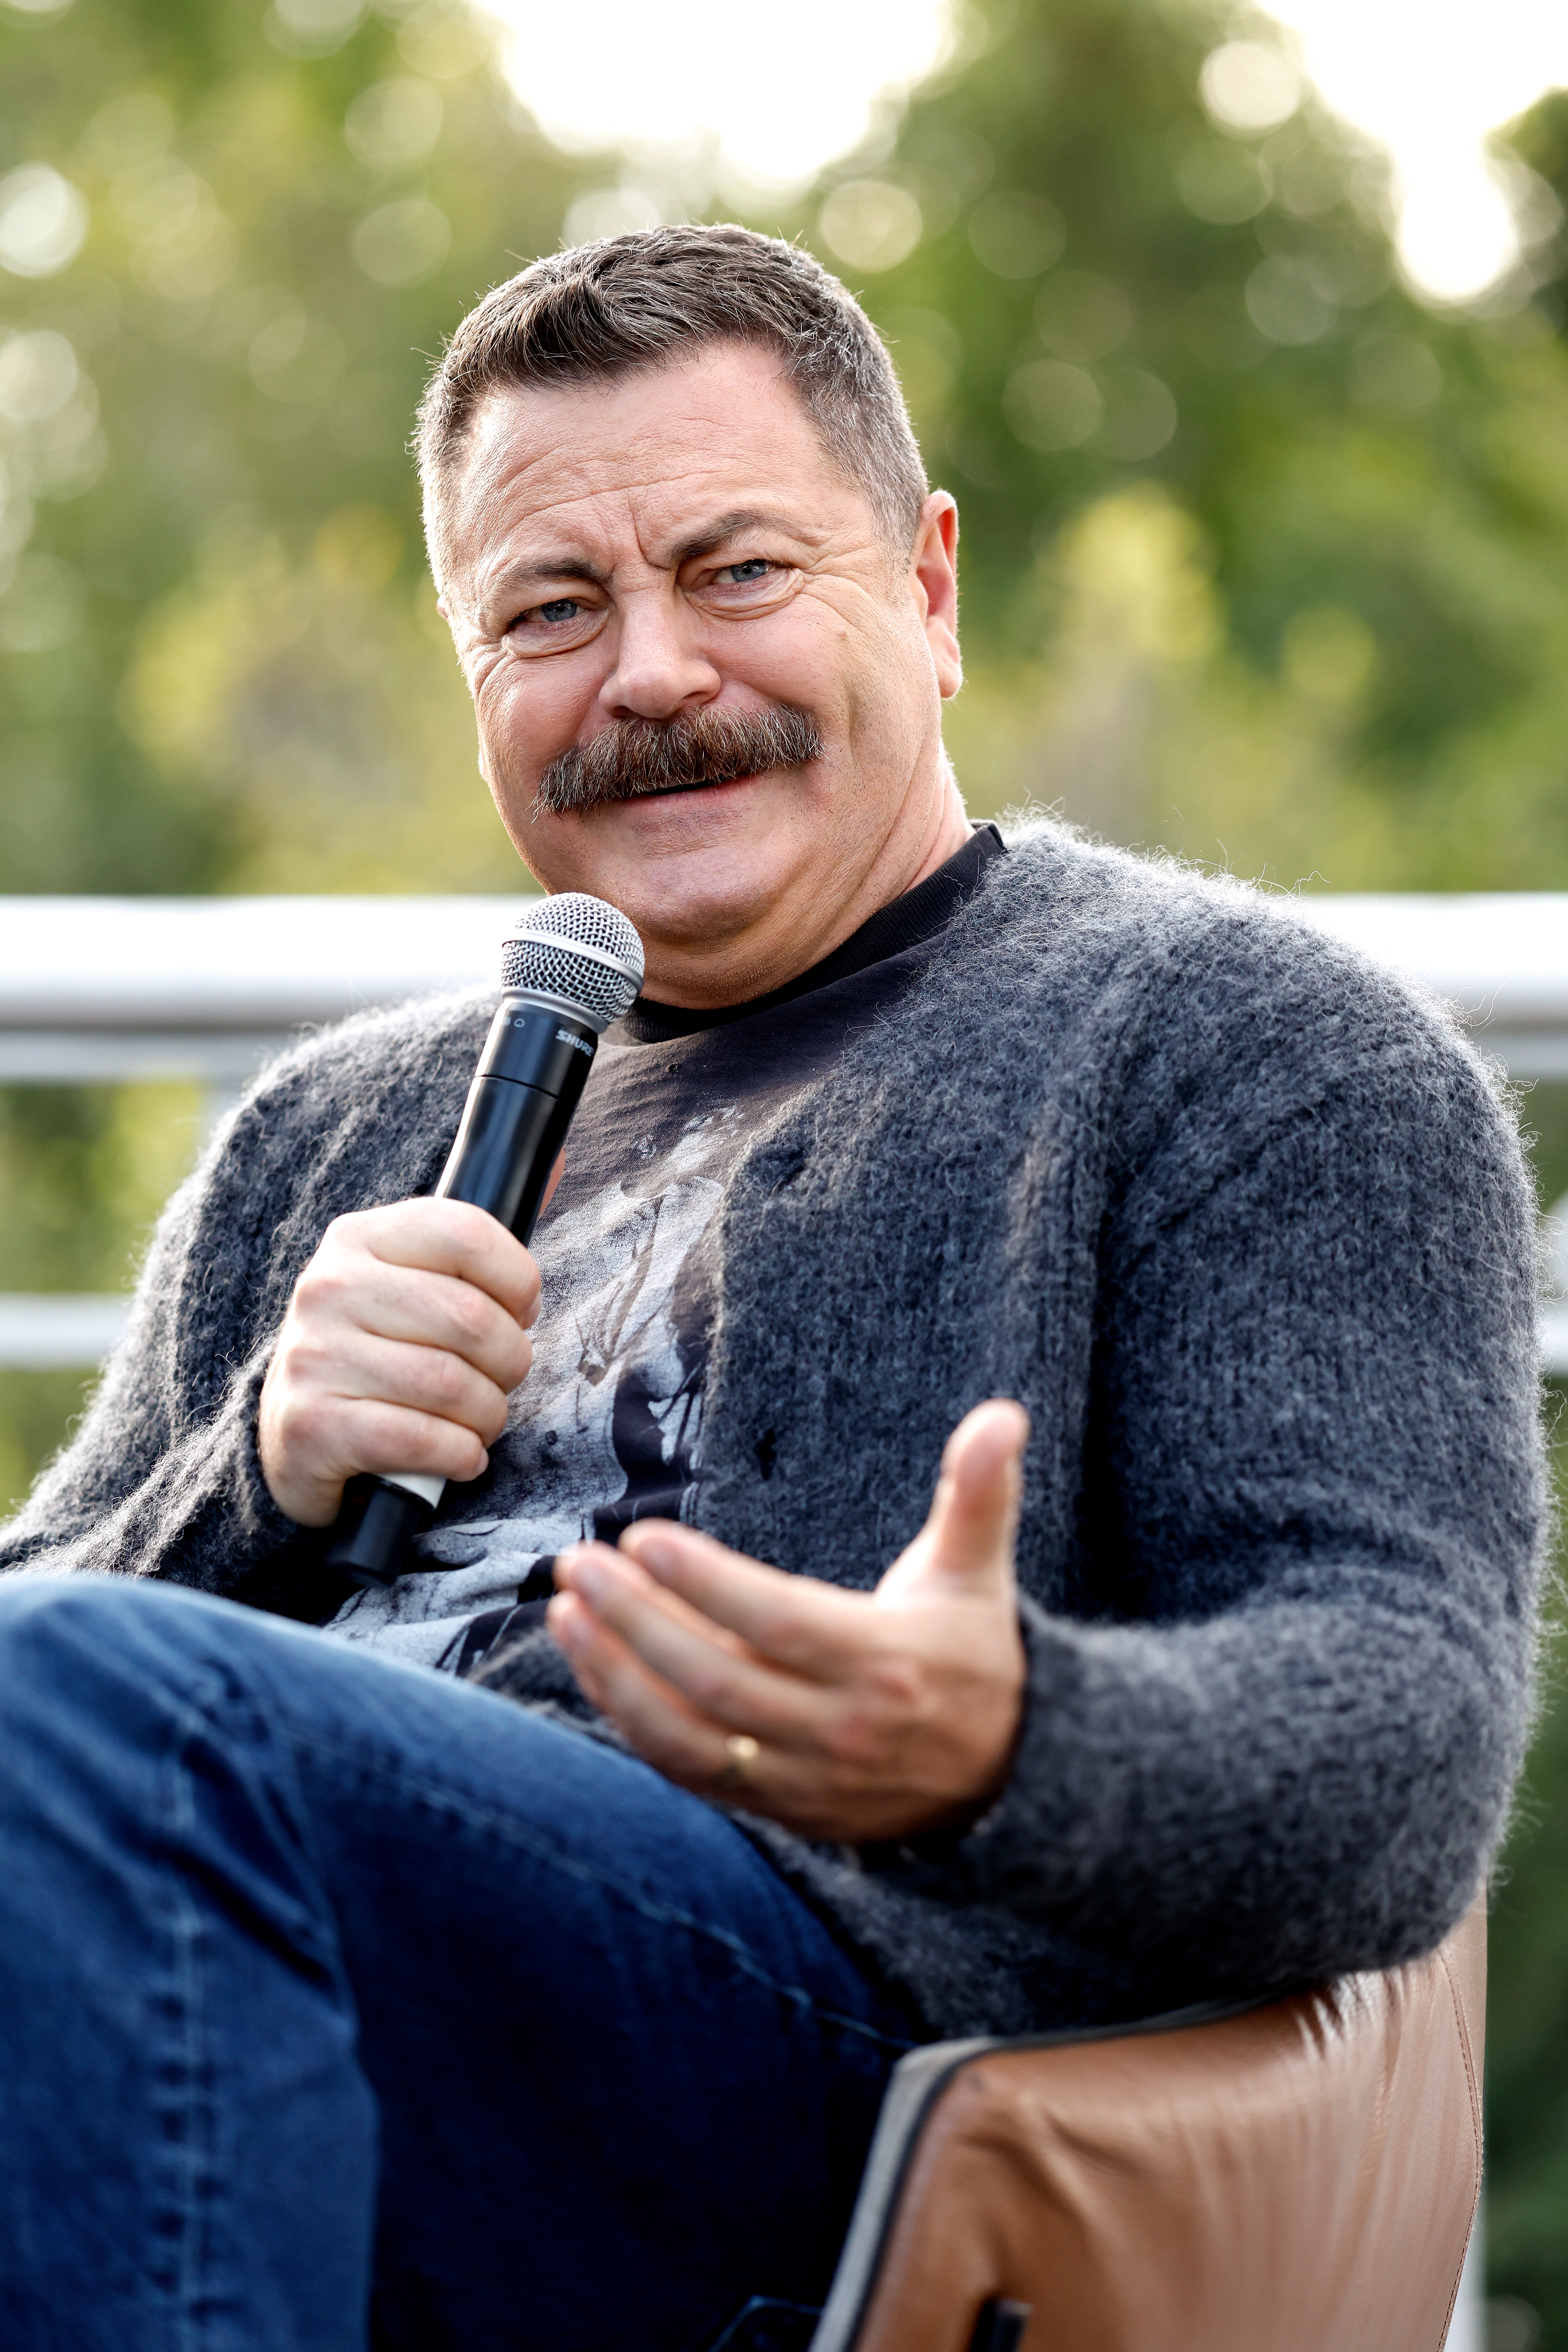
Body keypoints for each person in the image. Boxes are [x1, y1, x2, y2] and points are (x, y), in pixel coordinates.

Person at [0, 226, 1544, 2351]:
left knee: (113, 1727)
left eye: (735, 572)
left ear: (926, 586)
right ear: (477, 676)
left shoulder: (1243, 1046)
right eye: (552, 609)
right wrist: (249, 1474)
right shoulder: (326, 1132)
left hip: (818, 2085)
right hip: (255, 2018)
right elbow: (42, 1629)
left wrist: (1001, 1736)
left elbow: (1399, 1741)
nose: (645, 675)